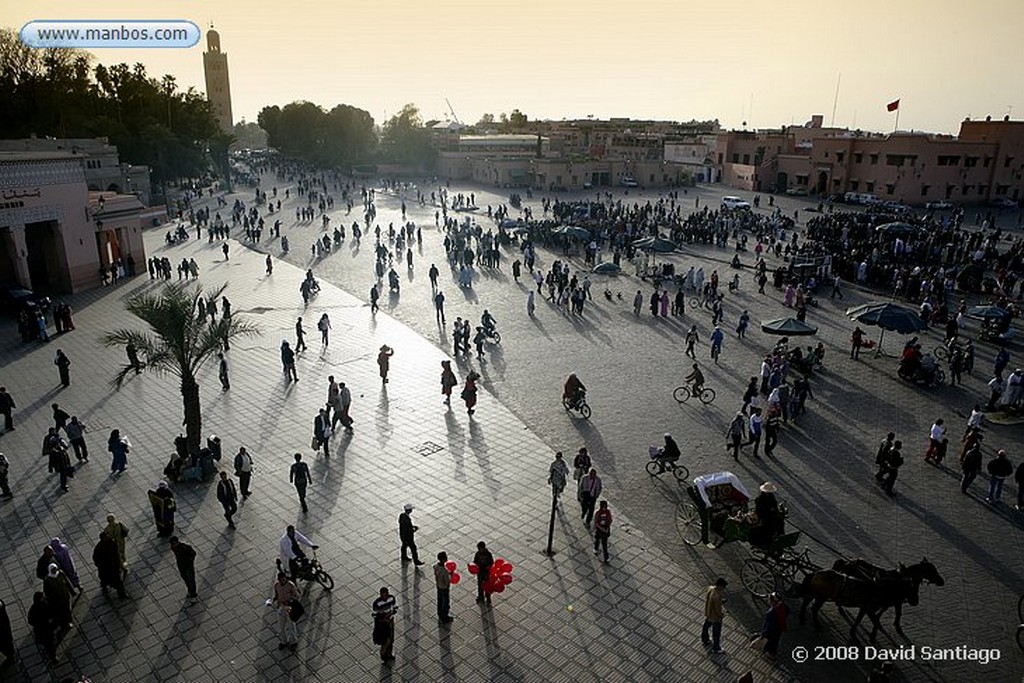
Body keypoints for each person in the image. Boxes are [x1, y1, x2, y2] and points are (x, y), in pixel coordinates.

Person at [272, 571, 301, 651]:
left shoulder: (290, 585)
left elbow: (296, 596)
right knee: (281, 626)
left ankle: (293, 642)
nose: (281, 581)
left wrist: (289, 602)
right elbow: (276, 595)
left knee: (291, 626)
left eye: (283, 579)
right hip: (281, 607)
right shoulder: (276, 585)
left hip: (289, 607)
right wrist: (273, 601)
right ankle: (283, 641)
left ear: (286, 578)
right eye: (280, 580)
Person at [92, 530, 126, 598]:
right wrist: (99, 565)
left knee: (118, 582)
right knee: (104, 581)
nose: (107, 537)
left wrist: (119, 563)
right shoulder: (99, 548)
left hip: (113, 567)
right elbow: (95, 558)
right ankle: (104, 589)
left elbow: (116, 553)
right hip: (105, 568)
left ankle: (122, 595)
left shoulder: (111, 543)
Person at [758, 592, 789, 661]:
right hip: (779, 628)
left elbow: (769, 625)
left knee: (771, 643)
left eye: (769, 600)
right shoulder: (783, 606)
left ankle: (771, 655)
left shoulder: (771, 612)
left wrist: (763, 633)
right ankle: (773, 653)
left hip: (772, 631)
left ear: (773, 602)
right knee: (775, 641)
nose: (768, 601)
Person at [28, 592, 57, 663]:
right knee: (50, 644)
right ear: (40, 599)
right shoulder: (45, 606)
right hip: (46, 630)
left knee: (47, 644)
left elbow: (30, 621)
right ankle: (53, 657)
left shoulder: (33, 608)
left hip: (41, 631)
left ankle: (50, 653)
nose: (45, 596)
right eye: (43, 596)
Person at [372, 587, 398, 662]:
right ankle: (383, 654)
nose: (385, 597)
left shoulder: (391, 598)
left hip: (390, 620)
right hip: (383, 623)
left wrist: (391, 613)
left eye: (386, 595)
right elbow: (376, 612)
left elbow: (395, 607)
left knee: (391, 638)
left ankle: (389, 654)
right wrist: (383, 615)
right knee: (385, 639)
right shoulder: (377, 603)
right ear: (380, 595)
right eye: (383, 595)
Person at [702, 578, 727, 654]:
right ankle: (716, 648)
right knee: (716, 633)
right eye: (723, 587)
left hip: (709, 613)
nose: (723, 589)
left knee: (706, 626)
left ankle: (705, 639)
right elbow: (717, 609)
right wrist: (721, 615)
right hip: (715, 617)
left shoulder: (711, 588)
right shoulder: (716, 596)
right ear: (720, 586)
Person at [434, 552, 454, 623]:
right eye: (445, 558)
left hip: (439, 587)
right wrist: (451, 575)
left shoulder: (436, 566)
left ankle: (440, 614)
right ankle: (445, 617)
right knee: (445, 603)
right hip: (444, 588)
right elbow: (447, 581)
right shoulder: (444, 570)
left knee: (440, 601)